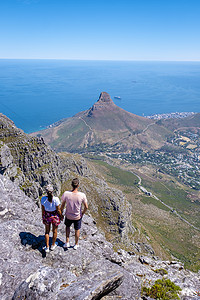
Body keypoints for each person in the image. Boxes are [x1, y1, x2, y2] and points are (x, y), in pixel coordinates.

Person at [61, 178, 88, 250]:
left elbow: (62, 205)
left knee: (67, 227)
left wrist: (61, 213)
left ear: (71, 185)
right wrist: (82, 213)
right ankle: (76, 244)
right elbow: (86, 206)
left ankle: (67, 242)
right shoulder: (82, 195)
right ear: (78, 185)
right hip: (77, 216)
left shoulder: (66, 193)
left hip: (68, 215)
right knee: (77, 229)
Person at [41, 185, 62, 252]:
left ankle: (47, 247)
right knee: (54, 231)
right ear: (52, 191)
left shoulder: (43, 199)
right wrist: (61, 216)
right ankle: (53, 245)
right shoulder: (56, 199)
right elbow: (58, 210)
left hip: (47, 215)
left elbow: (43, 210)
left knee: (47, 231)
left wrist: (43, 216)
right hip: (55, 215)